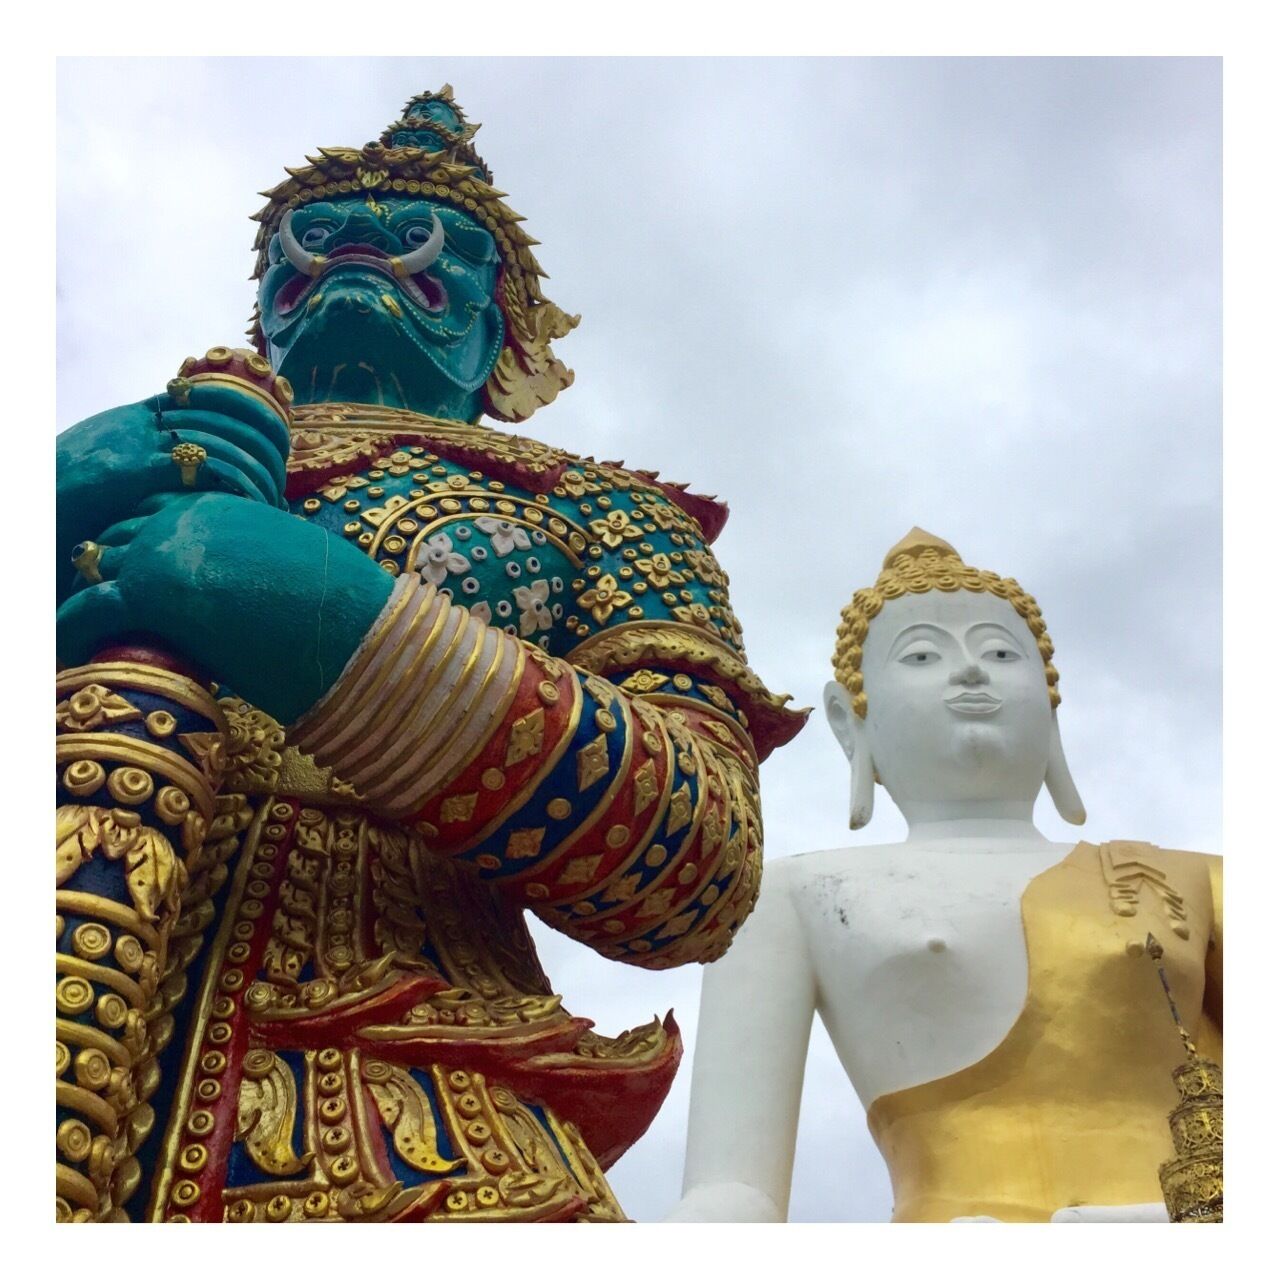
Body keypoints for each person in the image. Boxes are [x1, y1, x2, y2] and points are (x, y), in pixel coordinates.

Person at [54, 87, 804, 1223]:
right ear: (266, 299)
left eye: (417, 238)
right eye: (311, 234)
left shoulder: (596, 510)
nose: (357, 246)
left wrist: (345, 628)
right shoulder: (150, 454)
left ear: (500, 322)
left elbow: (697, 862)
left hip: (393, 1091)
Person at [668, 528, 1221, 1222]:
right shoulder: (789, 897)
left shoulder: (1196, 880)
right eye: (924, 655)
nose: (970, 673)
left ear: (1052, 709)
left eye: (999, 652)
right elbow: (730, 1190)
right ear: (848, 721)